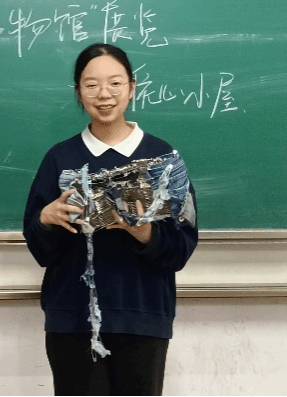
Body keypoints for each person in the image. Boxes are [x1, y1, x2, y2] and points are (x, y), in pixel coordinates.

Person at [23, 43, 198, 396]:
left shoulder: (163, 158)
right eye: (91, 85)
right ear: (78, 92)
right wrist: (45, 219)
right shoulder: (60, 158)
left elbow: (182, 248)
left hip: (143, 314)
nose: (104, 94)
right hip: (72, 318)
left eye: (115, 83)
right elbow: (40, 249)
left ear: (132, 88)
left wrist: (144, 232)